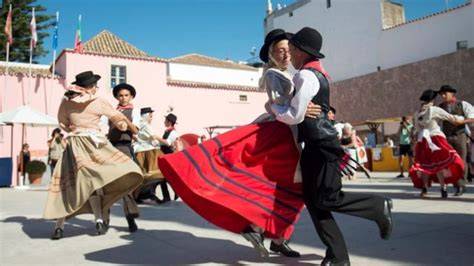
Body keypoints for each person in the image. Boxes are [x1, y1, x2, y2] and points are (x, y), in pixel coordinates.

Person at [158, 29, 320, 258]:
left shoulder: (286, 75)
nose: (286, 54)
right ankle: (258, 229)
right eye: (280, 50)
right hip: (282, 133)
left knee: (283, 186)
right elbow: (281, 107)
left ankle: (275, 236)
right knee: (282, 185)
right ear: (272, 55)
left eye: (288, 50)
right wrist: (303, 108)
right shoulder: (276, 75)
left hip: (287, 131)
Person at [270, 27, 393, 266]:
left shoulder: (306, 76)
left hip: (322, 145)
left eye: (291, 50)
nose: (289, 56)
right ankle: (338, 257)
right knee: (313, 200)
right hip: (315, 145)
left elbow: (294, 114)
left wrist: (273, 108)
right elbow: (301, 111)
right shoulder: (317, 72)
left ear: (299, 51)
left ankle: (378, 206)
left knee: (327, 198)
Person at [43, 71, 143, 240]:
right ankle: (103, 220)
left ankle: (61, 226)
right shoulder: (98, 102)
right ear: (91, 87)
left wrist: (75, 129)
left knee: (70, 184)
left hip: (74, 145)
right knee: (122, 172)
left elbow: (62, 123)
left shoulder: (66, 102)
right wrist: (120, 125)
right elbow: (120, 123)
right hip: (97, 145)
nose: (97, 88)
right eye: (95, 85)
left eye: (126, 95)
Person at [409, 89, 465, 198]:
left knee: (424, 165)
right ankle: (443, 189)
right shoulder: (434, 110)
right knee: (439, 164)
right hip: (436, 138)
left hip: (423, 140)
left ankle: (424, 188)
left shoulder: (417, 113)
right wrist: (461, 119)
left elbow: (416, 128)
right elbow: (450, 117)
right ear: (433, 100)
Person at [108, 83, 141, 232]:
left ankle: (130, 218)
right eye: (120, 95)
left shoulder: (135, 111)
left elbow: (135, 131)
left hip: (124, 148)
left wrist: (124, 120)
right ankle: (104, 219)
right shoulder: (111, 112)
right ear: (117, 97)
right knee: (106, 184)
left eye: (126, 95)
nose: (123, 98)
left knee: (125, 185)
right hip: (110, 148)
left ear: (131, 96)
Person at [437, 84, 474, 196]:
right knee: (450, 162)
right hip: (447, 136)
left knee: (461, 160)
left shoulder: (463, 104)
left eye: (445, 93)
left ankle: (461, 185)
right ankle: (456, 185)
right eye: (441, 94)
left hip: (460, 136)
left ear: (452, 94)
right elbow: (438, 122)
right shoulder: (440, 107)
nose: (443, 96)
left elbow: (472, 118)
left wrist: (461, 122)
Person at [133, 107, 165, 204]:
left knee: (146, 175)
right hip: (148, 152)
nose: (151, 118)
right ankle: (147, 194)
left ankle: (143, 194)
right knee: (156, 174)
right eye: (150, 116)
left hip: (141, 151)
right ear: (146, 116)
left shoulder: (139, 124)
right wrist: (166, 143)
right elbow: (153, 136)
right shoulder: (146, 125)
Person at [155, 113, 179, 203]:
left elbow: (168, 143)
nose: (164, 122)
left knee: (164, 177)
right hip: (164, 155)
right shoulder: (167, 131)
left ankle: (169, 195)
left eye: (165, 120)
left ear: (169, 122)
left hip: (168, 156)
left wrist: (157, 137)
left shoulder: (173, 132)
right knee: (165, 177)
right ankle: (171, 194)